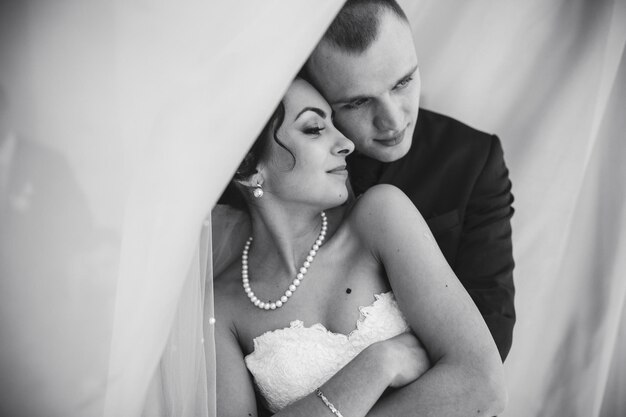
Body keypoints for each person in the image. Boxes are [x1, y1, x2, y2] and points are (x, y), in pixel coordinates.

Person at [219, 0, 515, 362]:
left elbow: (490, 335)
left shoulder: (473, 159)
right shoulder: (267, 168)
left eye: (404, 81)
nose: (392, 120)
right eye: (358, 103)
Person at [213, 77, 506, 416]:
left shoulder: (381, 217)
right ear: (249, 168)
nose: (346, 144)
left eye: (334, 125)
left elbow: (484, 387)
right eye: (313, 129)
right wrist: (379, 363)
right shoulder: (223, 309)